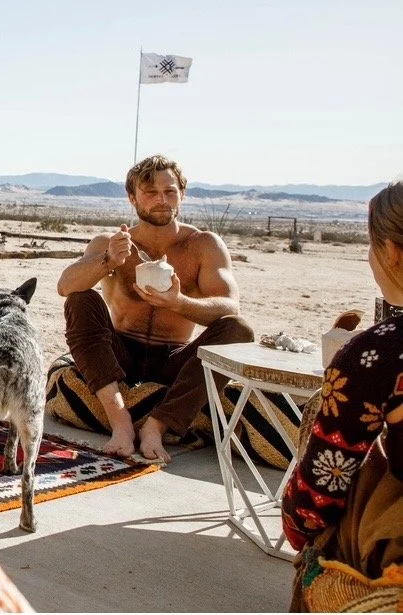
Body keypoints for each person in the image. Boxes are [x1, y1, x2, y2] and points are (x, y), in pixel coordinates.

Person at [56, 154, 254, 462]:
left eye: (170, 191)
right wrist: (108, 261)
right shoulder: (112, 242)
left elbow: (230, 306)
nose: (161, 199)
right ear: (133, 198)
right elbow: (65, 286)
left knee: (239, 330)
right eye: (150, 192)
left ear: (182, 194)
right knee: (81, 299)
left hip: (173, 359)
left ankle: (157, 425)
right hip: (119, 354)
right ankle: (120, 421)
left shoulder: (203, 244)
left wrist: (179, 303)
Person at [282, 181, 403, 607]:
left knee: (324, 518)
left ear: (393, 254)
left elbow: (318, 495)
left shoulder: (381, 351)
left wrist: (297, 529)